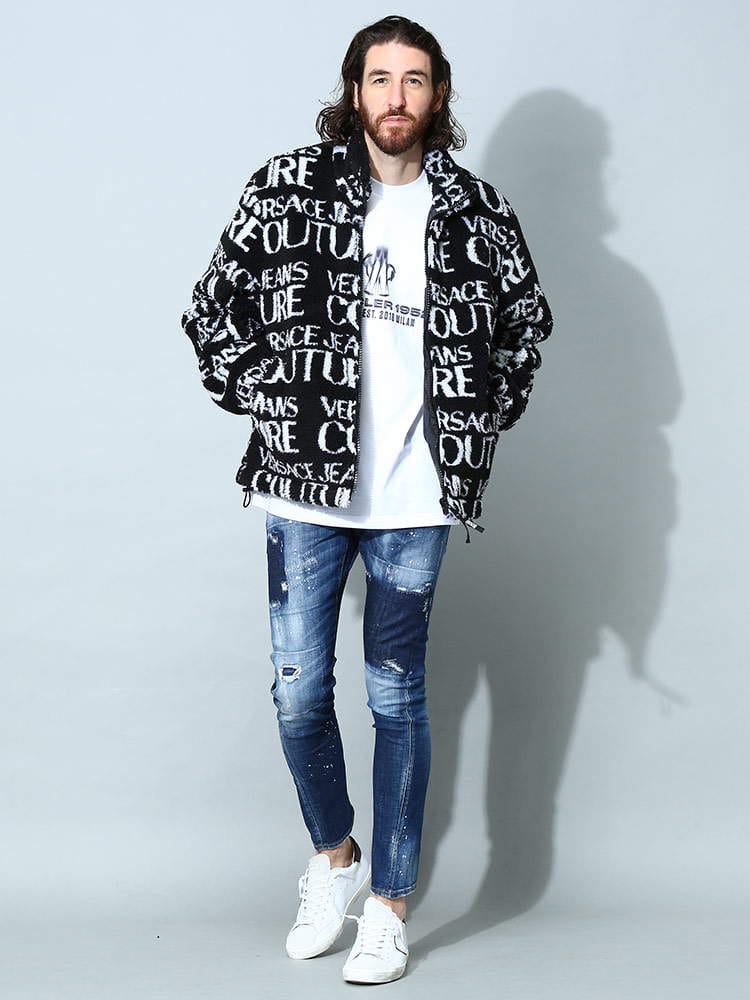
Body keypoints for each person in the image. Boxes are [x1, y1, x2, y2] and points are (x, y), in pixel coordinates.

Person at [181, 14, 553, 985]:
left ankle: (389, 905)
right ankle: (335, 857)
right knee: (300, 690)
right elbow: (211, 310)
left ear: (439, 95)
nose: (396, 96)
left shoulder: (477, 212)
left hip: (417, 496)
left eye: (414, 79)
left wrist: (472, 429)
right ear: (355, 92)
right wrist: (272, 399)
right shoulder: (287, 189)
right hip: (303, 486)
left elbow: (525, 327)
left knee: (397, 697)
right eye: (380, 78)